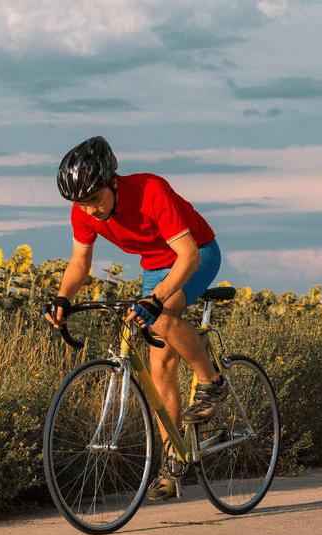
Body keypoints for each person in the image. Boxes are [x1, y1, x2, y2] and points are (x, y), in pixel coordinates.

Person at [44, 135, 228, 502]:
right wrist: (64, 298)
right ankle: (174, 460)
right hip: (155, 266)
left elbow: (188, 255)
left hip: (197, 254)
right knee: (159, 363)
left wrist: (157, 300)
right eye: (83, 204)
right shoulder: (83, 212)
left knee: (158, 319)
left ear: (113, 181)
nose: (91, 211)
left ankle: (212, 381)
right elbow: (80, 263)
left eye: (96, 200)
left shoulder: (151, 191)